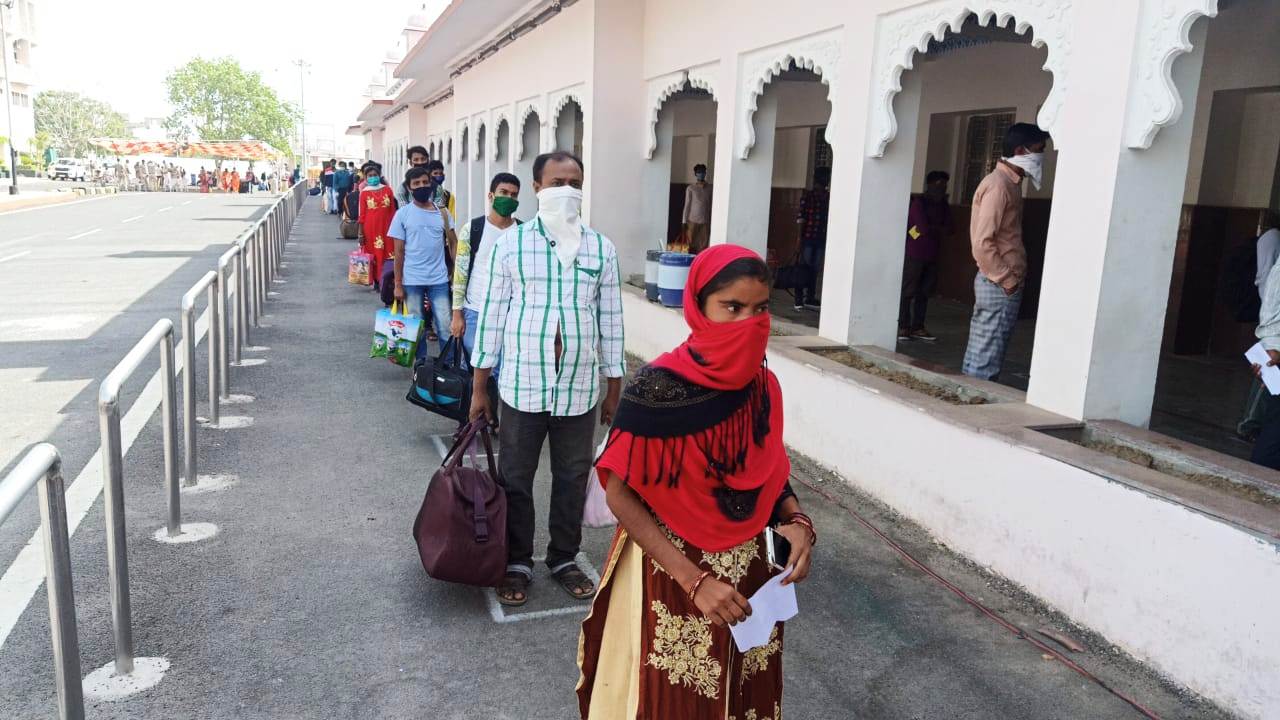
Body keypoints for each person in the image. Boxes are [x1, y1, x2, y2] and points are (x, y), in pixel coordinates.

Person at [576, 244, 814, 719]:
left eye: (761, 309)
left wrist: (799, 524)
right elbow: (618, 491)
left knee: (746, 692)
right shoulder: (658, 388)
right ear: (699, 308)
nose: (750, 322)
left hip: (751, 576)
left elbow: (767, 474)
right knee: (673, 700)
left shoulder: (762, 385)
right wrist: (695, 580)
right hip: (671, 572)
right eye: (732, 307)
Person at [469, 151, 625, 607]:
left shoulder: (601, 248)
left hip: (579, 388)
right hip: (521, 384)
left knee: (572, 476)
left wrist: (613, 388)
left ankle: (563, 556)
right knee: (516, 476)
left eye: (574, 181)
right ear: (537, 189)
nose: (567, 190)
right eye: (557, 181)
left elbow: (611, 321)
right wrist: (480, 388)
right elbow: (493, 318)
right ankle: (516, 559)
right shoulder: (510, 246)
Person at [961, 122, 1049, 381]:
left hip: (999, 280)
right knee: (987, 352)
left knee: (986, 347)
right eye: (1039, 149)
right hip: (998, 282)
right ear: (1021, 151)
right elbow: (982, 242)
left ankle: (969, 397)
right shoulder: (999, 185)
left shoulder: (1009, 182)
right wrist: (1007, 280)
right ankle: (975, 405)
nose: (1042, 155)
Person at [450, 172, 521, 367]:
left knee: (505, 369)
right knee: (474, 367)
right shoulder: (473, 229)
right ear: (491, 196)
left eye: (513, 195)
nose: (508, 198)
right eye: (503, 192)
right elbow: (461, 273)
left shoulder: (523, 232)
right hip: (475, 310)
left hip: (511, 313)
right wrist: (457, 314)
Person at [389, 166, 456, 355]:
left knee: (445, 327)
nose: (422, 186)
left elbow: (453, 244)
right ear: (409, 189)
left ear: (431, 185)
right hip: (412, 281)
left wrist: (457, 276)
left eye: (425, 182)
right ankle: (421, 369)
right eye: (416, 183)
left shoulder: (442, 213)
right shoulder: (402, 214)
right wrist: (398, 285)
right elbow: (399, 252)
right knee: (416, 330)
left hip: (439, 280)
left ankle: (448, 367)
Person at [1238, 210, 1280, 441]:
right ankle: (1249, 423)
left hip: (1272, 324)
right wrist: (1272, 337)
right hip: (1273, 325)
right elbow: (1268, 279)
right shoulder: (1272, 238)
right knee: (1269, 374)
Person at [898, 170, 953, 343]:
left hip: (932, 254)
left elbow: (951, 228)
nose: (942, 187)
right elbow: (922, 228)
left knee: (924, 293)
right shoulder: (918, 203)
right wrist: (937, 228)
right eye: (938, 184)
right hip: (914, 253)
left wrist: (933, 228)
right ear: (929, 185)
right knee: (908, 291)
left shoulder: (944, 205)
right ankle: (903, 326)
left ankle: (918, 327)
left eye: (944, 184)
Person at [794, 166, 831, 311]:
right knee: (804, 267)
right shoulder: (808, 197)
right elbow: (800, 219)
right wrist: (799, 239)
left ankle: (810, 296)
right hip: (808, 238)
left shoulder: (828, 197)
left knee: (815, 269)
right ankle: (799, 298)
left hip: (820, 238)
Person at [357, 163, 396, 289]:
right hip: (371, 229)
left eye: (375, 175)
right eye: (370, 175)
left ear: (379, 176)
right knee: (374, 254)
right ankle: (377, 281)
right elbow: (361, 215)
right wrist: (360, 233)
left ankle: (388, 279)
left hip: (388, 227)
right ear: (365, 178)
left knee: (388, 253)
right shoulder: (364, 193)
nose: (373, 177)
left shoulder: (388, 190)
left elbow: (393, 210)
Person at [682, 163, 712, 252]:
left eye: (703, 172)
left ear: (705, 173)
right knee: (691, 245)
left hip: (705, 222)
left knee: (703, 246)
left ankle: (701, 264)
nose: (701, 174)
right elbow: (687, 205)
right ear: (695, 174)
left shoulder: (710, 188)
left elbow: (711, 205)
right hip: (692, 222)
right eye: (699, 172)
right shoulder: (691, 188)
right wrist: (684, 222)